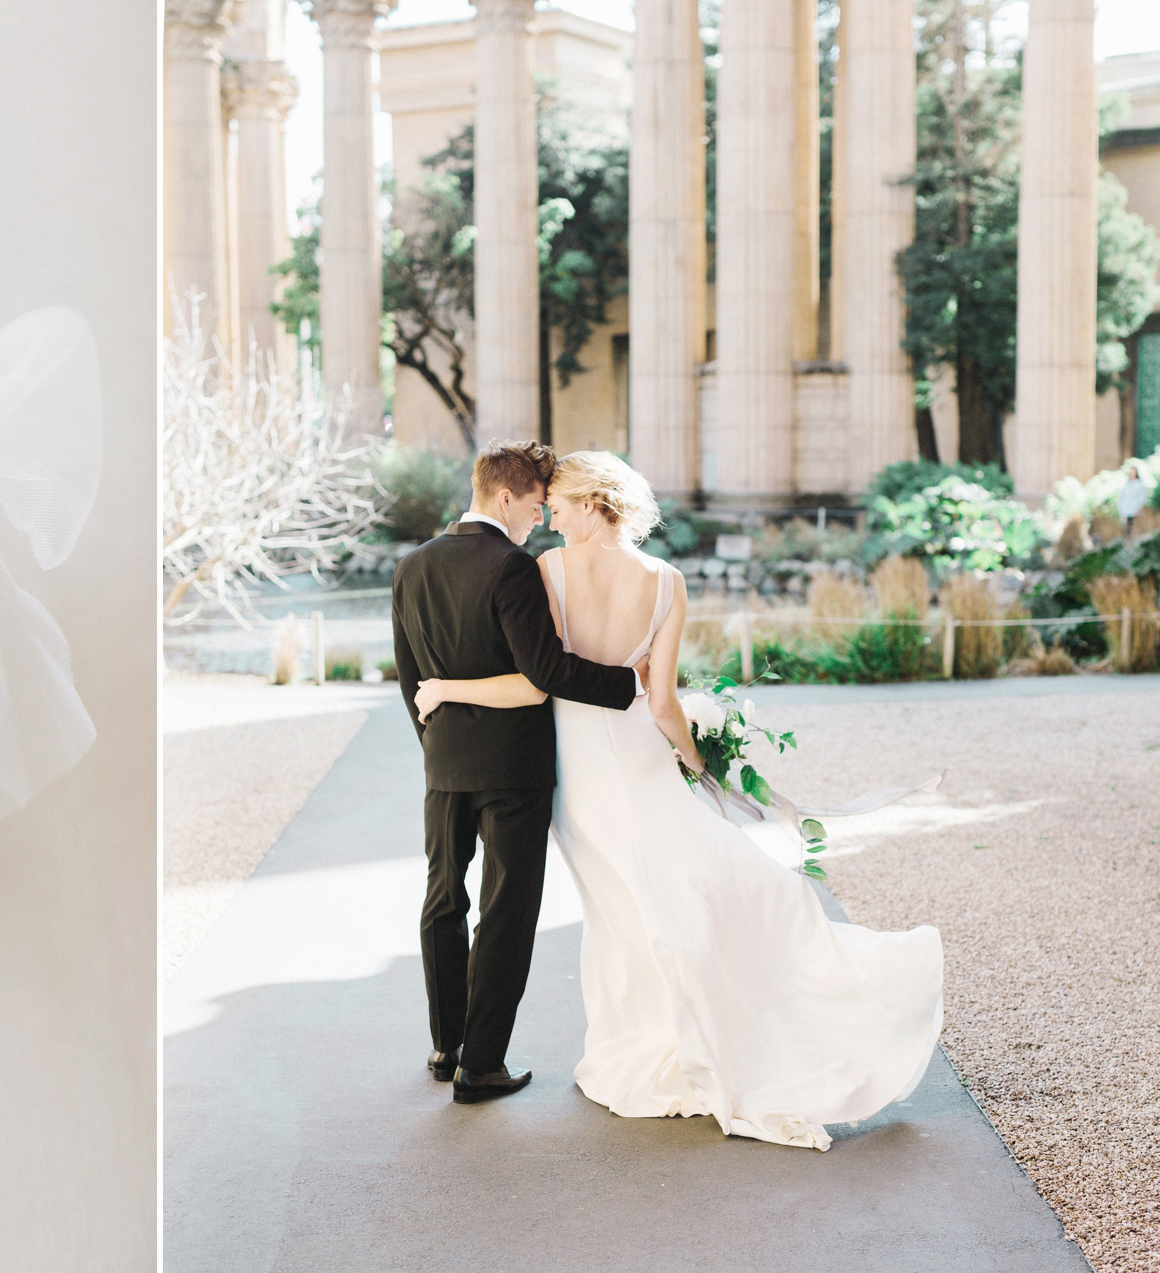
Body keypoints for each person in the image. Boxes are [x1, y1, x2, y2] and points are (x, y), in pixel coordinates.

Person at [413, 451, 943, 1149]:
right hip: (636, 754)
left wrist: (448, 693)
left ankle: (640, 1048)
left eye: (562, 504)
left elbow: (540, 674)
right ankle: (685, 1032)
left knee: (619, 908)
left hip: (576, 768)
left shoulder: (548, 572)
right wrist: (699, 770)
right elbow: (662, 702)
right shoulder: (667, 582)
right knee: (667, 887)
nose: (550, 517)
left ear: (594, 503)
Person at [389, 440, 643, 1105]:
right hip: (515, 768)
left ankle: (446, 1047)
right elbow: (546, 673)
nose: (539, 520)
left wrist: (436, 741)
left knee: (443, 898)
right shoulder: (513, 567)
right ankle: (483, 1065)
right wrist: (629, 684)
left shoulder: (410, 566)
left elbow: (411, 677)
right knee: (506, 911)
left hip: (443, 761)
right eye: (535, 507)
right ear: (506, 497)